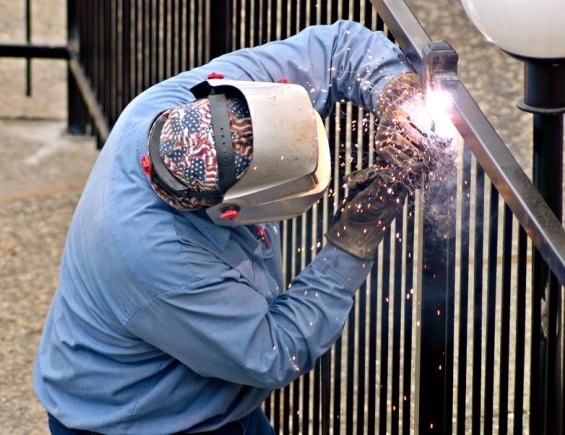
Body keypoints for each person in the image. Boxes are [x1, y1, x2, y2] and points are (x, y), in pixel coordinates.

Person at [33, 19, 449, 435]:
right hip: (138, 420)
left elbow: (337, 46)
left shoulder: (182, 101)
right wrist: (356, 236)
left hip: (208, 401)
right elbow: (276, 349)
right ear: (231, 212)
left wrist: (398, 98)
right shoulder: (161, 260)